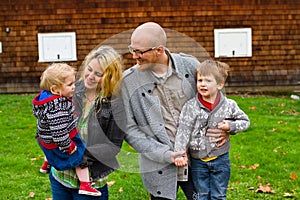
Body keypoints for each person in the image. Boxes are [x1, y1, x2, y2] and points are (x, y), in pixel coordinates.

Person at [121, 22, 227, 200]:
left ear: (159, 50)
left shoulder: (190, 66)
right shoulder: (128, 81)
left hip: (198, 161)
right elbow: (129, 129)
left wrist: (224, 128)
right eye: (132, 49)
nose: (134, 56)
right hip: (158, 165)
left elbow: (216, 100)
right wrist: (164, 154)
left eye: (140, 52)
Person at [48, 45, 125, 200]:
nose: (90, 76)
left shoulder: (117, 105)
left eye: (98, 74)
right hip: (60, 177)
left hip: (91, 181)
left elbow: (111, 147)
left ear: (110, 76)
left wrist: (77, 157)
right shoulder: (72, 91)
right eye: (89, 69)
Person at [174, 60, 250, 200]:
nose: (202, 84)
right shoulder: (191, 107)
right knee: (201, 195)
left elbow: (245, 122)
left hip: (221, 158)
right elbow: (183, 130)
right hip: (198, 161)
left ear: (220, 84)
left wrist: (230, 126)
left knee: (219, 194)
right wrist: (180, 153)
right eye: (200, 80)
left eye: (208, 80)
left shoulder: (229, 105)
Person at [33, 63, 102, 196]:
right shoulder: (58, 107)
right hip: (58, 141)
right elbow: (59, 133)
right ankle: (85, 184)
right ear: (55, 89)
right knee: (80, 154)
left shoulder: (45, 99)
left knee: (51, 148)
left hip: (45, 140)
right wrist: (68, 146)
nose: (74, 87)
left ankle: (47, 162)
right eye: (70, 85)